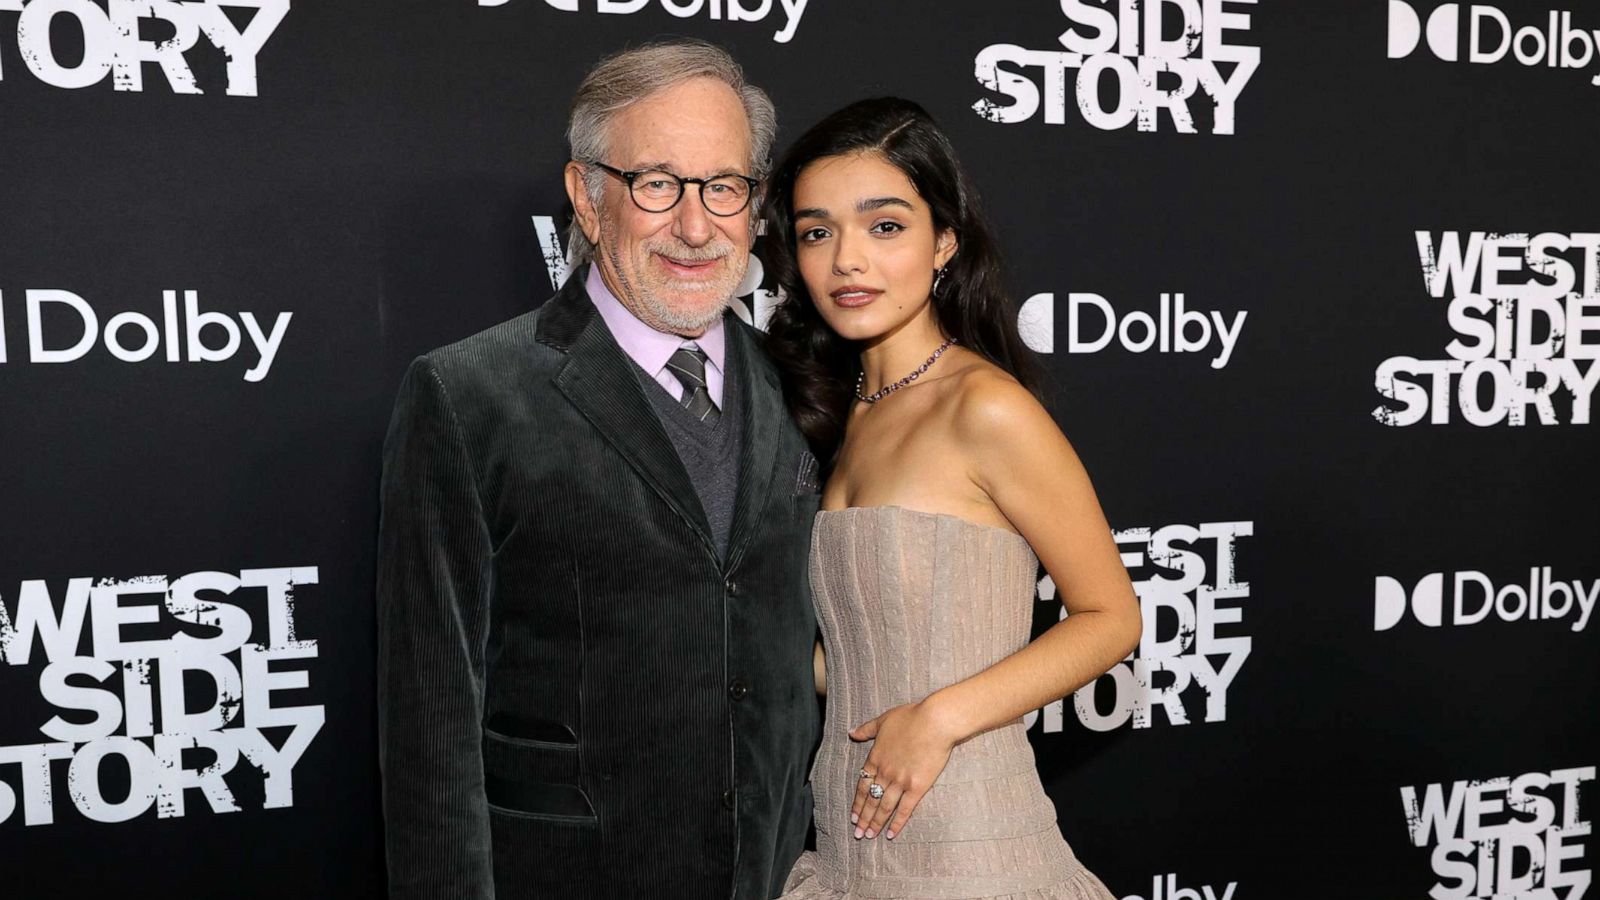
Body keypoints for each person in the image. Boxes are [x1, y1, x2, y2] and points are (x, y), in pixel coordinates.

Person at [376, 41, 820, 899]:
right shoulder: (468, 394)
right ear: (587, 195)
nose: (696, 227)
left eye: (724, 187)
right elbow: (430, 725)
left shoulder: (802, 385)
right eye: (657, 184)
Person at [761, 98, 1143, 898]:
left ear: (944, 243)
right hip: (848, 845)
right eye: (816, 231)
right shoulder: (842, 415)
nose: (847, 261)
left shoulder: (985, 407)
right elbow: (872, 655)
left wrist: (937, 720)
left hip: (966, 845)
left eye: (885, 226)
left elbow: (1112, 618)